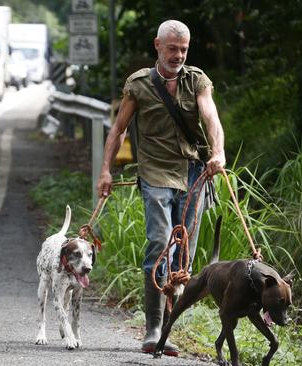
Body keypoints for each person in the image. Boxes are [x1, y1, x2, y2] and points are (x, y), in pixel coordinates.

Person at [96, 20, 226, 356]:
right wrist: (106, 171)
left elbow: (210, 117)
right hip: (155, 173)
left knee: (184, 255)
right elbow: (118, 131)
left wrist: (218, 152)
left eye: (184, 49)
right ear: (158, 46)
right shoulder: (139, 84)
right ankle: (153, 328)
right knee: (159, 242)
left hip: (193, 173)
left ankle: (169, 327)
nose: (179, 55)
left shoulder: (196, 79)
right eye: (172, 48)